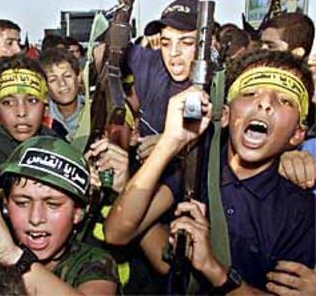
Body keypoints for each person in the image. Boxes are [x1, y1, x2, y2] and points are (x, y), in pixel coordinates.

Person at [107, 49, 315, 293]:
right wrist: (171, 142)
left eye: (285, 100)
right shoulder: (195, 170)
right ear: (225, 114)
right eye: (250, 93)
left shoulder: (301, 212)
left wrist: (213, 269)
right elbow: (116, 233)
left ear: (297, 135)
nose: (265, 103)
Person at [0, 136, 119, 295]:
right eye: (22, 203)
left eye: (53, 204)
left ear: (78, 213)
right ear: (5, 207)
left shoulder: (92, 263)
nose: (36, 218)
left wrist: (15, 258)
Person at [0, 53, 54, 173]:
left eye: (32, 101)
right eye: (8, 103)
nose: (21, 112)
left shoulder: (54, 140)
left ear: (45, 108)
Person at [39, 48, 83, 141]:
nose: (62, 83)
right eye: (52, 80)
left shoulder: (94, 112)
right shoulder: (41, 117)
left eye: (67, 76)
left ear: (78, 77)